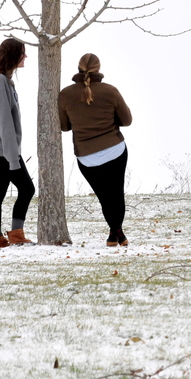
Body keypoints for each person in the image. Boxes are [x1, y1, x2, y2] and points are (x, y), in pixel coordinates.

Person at [58, 53, 133, 246]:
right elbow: (127, 121)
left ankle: (115, 233)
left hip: (87, 157)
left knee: (105, 198)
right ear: (98, 69)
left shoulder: (65, 94)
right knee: (116, 194)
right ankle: (117, 233)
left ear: (78, 67)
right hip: (114, 149)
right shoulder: (110, 91)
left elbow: (64, 127)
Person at [0, 38, 35, 248]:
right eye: (22, 52)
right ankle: (14, 235)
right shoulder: (0, 82)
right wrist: (13, 158)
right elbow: (4, 123)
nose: (25, 56)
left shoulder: (4, 80)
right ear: (13, 55)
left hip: (1, 150)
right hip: (3, 151)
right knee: (26, 189)